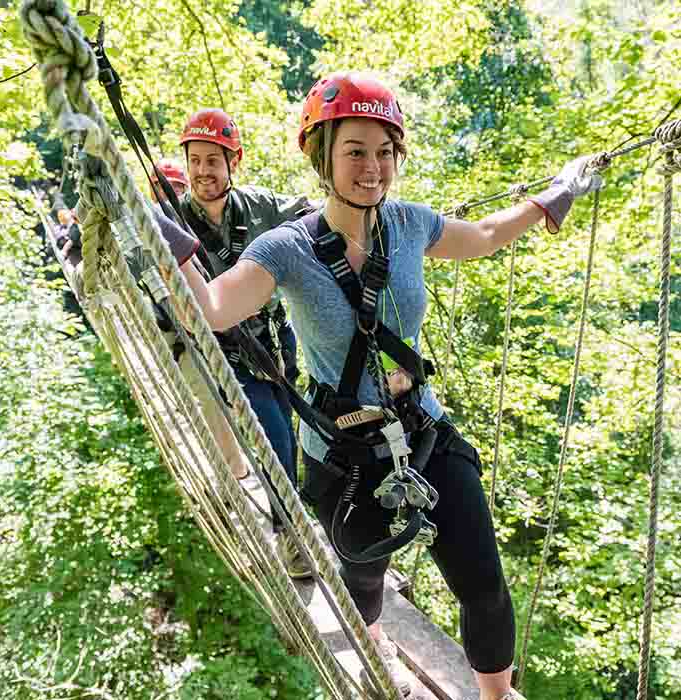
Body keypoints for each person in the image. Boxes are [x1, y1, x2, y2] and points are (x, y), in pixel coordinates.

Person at [189, 72, 602, 699]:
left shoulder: (410, 225)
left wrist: (550, 200)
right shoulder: (286, 249)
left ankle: (495, 695)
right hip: (342, 452)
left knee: (484, 581)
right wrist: (166, 242)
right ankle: (374, 644)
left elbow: (486, 237)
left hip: (421, 430)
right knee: (362, 577)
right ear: (320, 154)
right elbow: (215, 309)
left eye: (385, 152)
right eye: (355, 150)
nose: (373, 167)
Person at [177, 108, 315, 579]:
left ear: (232, 163)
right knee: (274, 438)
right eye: (194, 160)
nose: (202, 171)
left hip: (277, 346)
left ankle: (292, 516)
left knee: (291, 436)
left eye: (212, 161)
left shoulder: (261, 208)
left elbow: (315, 216)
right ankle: (293, 539)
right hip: (226, 353)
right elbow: (143, 263)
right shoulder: (170, 222)